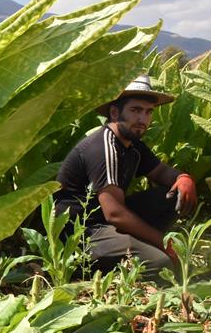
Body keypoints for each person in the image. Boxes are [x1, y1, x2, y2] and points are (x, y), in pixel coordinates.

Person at [54, 74, 197, 274]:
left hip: (105, 220)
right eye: (135, 110)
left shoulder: (132, 144)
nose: (142, 119)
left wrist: (184, 179)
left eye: (148, 112)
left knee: (174, 195)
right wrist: (165, 243)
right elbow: (115, 214)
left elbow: (161, 171)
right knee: (160, 264)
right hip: (80, 232)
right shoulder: (103, 147)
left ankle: (139, 247)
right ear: (114, 112)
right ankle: (89, 265)